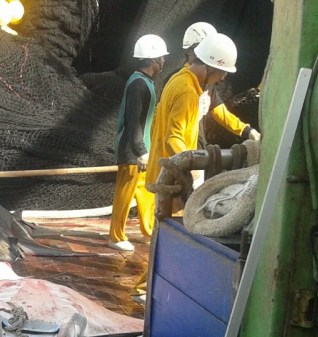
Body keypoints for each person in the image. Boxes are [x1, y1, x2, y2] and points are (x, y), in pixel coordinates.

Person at [144, 31, 240, 220]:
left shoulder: (178, 78)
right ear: (211, 68)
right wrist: (192, 170)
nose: (221, 79)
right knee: (178, 230)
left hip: (164, 171)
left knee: (163, 229)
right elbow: (174, 137)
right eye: (222, 73)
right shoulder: (187, 92)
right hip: (173, 179)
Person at [108, 34, 168, 252]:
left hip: (141, 149)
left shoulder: (145, 83)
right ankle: (115, 236)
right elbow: (133, 121)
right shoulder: (138, 85)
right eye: (161, 57)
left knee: (144, 190)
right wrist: (140, 150)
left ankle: (148, 229)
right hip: (131, 150)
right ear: (153, 60)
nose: (163, 61)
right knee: (125, 193)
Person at [180, 22, 261, 149]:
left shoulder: (208, 84)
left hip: (197, 149)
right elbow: (171, 132)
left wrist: (246, 130)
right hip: (180, 153)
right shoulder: (180, 82)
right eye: (192, 51)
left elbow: (220, 112)